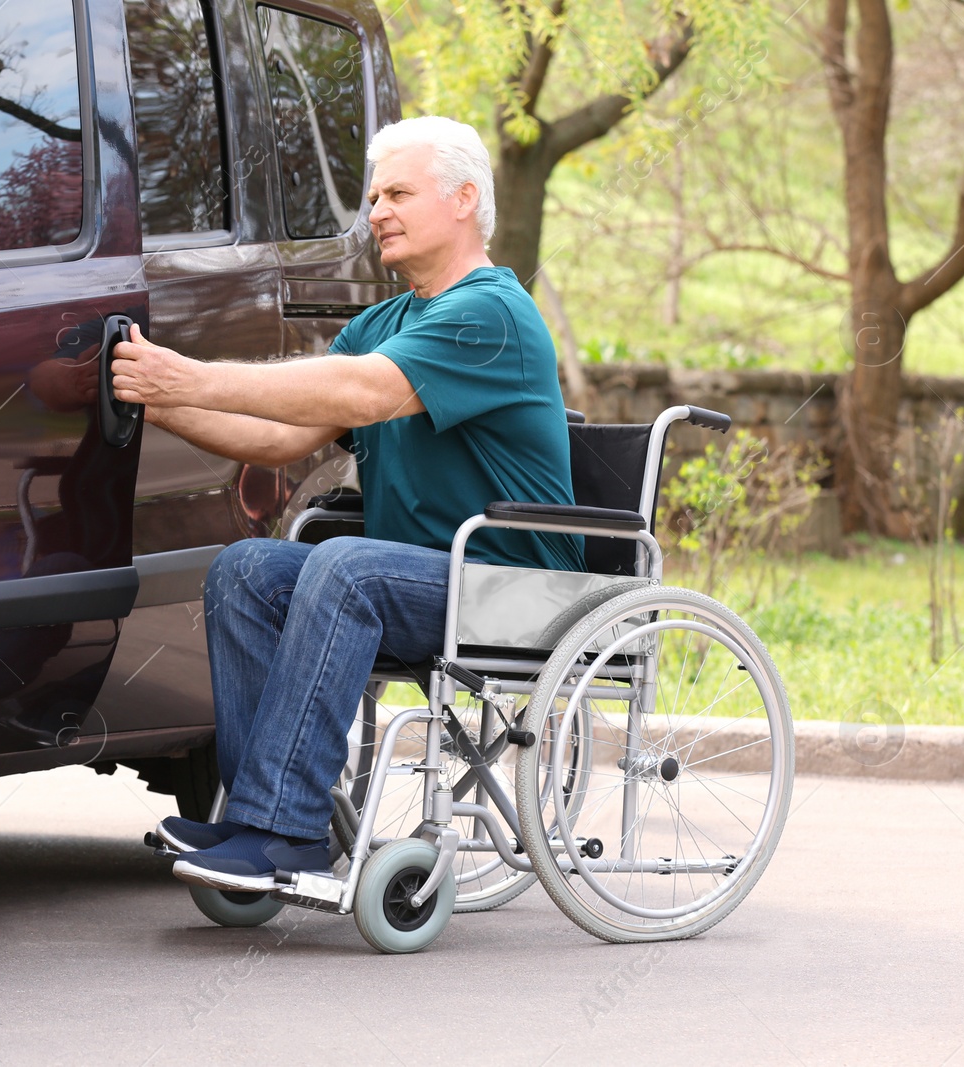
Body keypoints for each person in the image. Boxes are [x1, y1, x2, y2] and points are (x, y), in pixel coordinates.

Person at [110, 115, 586, 892]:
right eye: (372, 197)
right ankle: (252, 819)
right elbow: (274, 436)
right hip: (425, 581)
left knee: (344, 566)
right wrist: (151, 398)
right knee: (248, 569)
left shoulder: (492, 312)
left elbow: (363, 391)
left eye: (398, 192)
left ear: (465, 199)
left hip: (513, 587)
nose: (376, 212)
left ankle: (286, 831)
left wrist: (187, 375)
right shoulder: (383, 322)